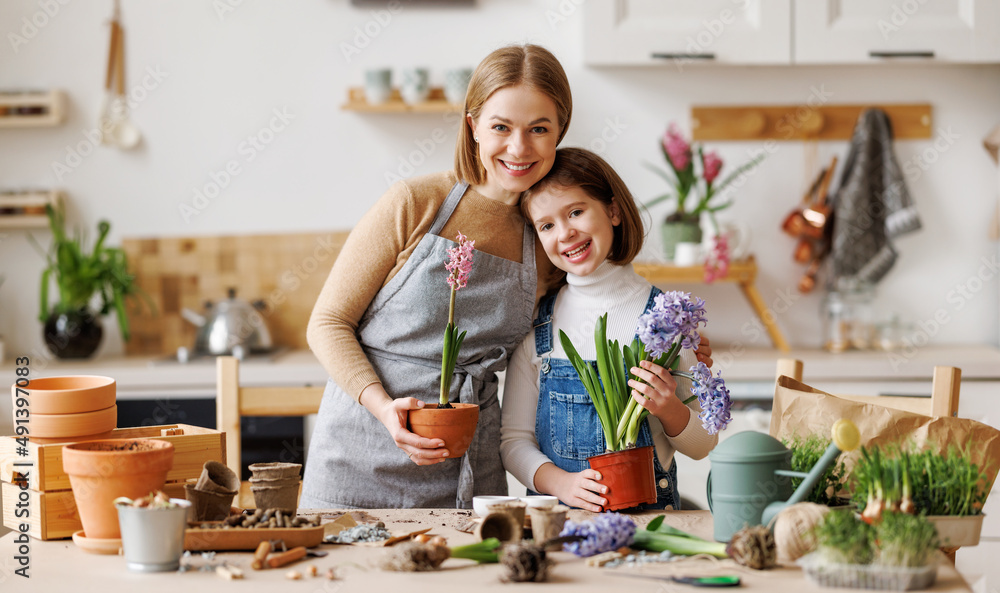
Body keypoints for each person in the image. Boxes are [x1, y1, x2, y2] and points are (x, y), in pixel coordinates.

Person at [300, 44, 571, 510]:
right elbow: (327, 323)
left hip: (471, 467)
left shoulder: (547, 235)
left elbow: (577, 324)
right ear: (473, 127)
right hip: (360, 455)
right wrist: (385, 409)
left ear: (559, 133)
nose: (519, 148)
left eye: (539, 129)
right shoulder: (416, 202)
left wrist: (670, 339)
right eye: (501, 127)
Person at [500, 147, 719, 512]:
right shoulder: (539, 324)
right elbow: (513, 442)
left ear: (613, 211)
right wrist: (562, 485)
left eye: (576, 212)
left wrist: (669, 409)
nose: (566, 233)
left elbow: (704, 444)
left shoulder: (667, 319)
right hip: (560, 528)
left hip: (648, 530)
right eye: (547, 225)